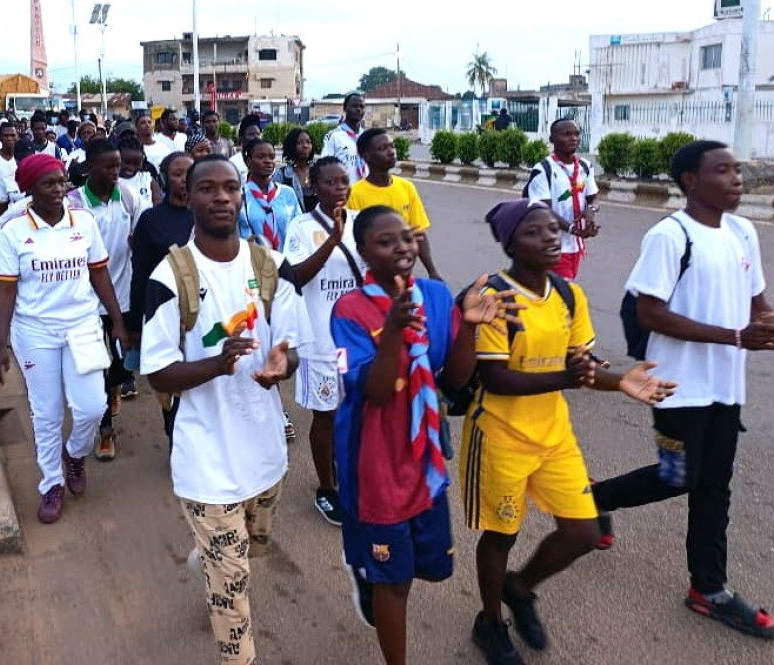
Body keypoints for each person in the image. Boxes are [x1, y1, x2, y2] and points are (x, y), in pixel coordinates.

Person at [592, 141, 774, 641]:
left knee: (714, 486)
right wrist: (736, 337)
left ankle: (709, 588)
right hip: (676, 385)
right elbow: (650, 313)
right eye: (722, 170)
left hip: (726, 385)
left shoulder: (743, 232)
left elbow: (758, 302)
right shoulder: (670, 235)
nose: (736, 178)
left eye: (736, 169)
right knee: (677, 476)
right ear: (691, 181)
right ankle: (593, 498)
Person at [462, 198, 677, 665]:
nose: (550, 238)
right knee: (501, 535)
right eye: (534, 232)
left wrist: (619, 381)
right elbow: (496, 379)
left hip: (553, 435)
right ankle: (490, 621)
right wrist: (568, 377)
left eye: (552, 229)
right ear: (511, 245)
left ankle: (520, 588)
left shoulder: (568, 294)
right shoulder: (496, 297)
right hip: (499, 436)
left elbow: (581, 366)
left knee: (583, 533)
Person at [140, 155, 311, 665]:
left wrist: (282, 364)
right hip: (206, 460)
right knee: (234, 587)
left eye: (230, 187)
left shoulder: (271, 266)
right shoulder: (170, 277)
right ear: (187, 197)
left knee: (248, 552)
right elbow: (158, 373)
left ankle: (209, 563)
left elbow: (292, 346)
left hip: (264, 454)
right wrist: (217, 364)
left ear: (242, 196)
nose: (221, 196)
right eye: (207, 188)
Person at [332, 205, 516, 665]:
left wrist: (468, 328)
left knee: (426, 568)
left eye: (406, 238)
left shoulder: (433, 294)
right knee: (395, 582)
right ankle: (377, 584)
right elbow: (376, 392)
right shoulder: (350, 310)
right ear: (363, 252)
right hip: (374, 462)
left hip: (422, 455)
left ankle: (374, 574)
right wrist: (394, 329)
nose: (401, 248)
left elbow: (453, 379)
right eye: (385, 241)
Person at [0, 154, 127, 524]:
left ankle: (75, 454)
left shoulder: (83, 221)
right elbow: (5, 290)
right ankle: (52, 482)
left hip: (82, 326)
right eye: (48, 183)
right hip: (35, 331)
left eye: (62, 182)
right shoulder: (14, 230)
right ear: (29, 189)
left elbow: (99, 274)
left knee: (93, 407)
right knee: (47, 412)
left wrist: (117, 320)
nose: (58, 190)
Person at [280, 156, 358, 525]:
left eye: (344, 181)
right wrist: (333, 241)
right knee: (325, 415)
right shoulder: (301, 226)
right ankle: (326, 489)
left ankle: (345, 468)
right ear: (313, 186)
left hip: (355, 341)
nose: (339, 188)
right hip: (320, 341)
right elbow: (295, 275)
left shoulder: (361, 222)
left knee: (352, 412)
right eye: (331, 182)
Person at [65, 139, 142, 461]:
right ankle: (106, 431)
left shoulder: (128, 196)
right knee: (96, 364)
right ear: (89, 168)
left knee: (123, 361)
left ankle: (112, 390)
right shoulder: (73, 203)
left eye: (118, 166)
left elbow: (141, 237)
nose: (115, 172)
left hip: (123, 296)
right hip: (86, 302)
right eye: (108, 166)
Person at [128, 151, 195, 439]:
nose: (184, 180)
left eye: (190, 173)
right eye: (178, 174)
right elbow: (140, 275)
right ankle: (174, 437)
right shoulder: (151, 220)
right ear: (165, 179)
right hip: (164, 316)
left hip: (202, 314)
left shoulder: (207, 216)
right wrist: (135, 326)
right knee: (171, 389)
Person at [347, 128, 443, 281]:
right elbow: (350, 241)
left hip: (402, 277)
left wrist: (432, 271)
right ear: (366, 156)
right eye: (382, 148)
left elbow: (419, 233)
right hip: (367, 278)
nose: (391, 152)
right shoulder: (353, 194)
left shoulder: (407, 188)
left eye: (392, 146)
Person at [525, 119, 600, 281]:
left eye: (576, 134)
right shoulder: (543, 169)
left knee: (560, 291)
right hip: (551, 246)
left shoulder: (585, 167)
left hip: (575, 247)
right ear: (552, 139)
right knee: (563, 291)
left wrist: (591, 211)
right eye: (566, 134)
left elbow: (592, 198)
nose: (573, 138)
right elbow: (543, 211)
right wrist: (572, 229)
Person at [237, 138, 302, 252]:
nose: (268, 161)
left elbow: (299, 228)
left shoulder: (287, 193)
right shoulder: (239, 196)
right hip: (251, 260)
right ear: (248, 161)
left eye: (271, 157)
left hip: (285, 259)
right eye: (261, 157)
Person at [321, 93, 367, 184]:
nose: (358, 109)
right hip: (343, 189)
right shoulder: (333, 136)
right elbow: (325, 166)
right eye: (354, 106)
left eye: (362, 106)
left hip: (366, 190)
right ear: (345, 108)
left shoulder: (367, 137)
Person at [273, 127, 316, 213]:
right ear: (291, 145)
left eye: (308, 142)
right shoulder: (282, 174)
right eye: (299, 143)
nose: (305, 146)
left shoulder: (319, 171)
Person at [117, 134, 161, 211]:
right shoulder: (113, 182)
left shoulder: (148, 180)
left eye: (136, 163)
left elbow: (158, 208)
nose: (131, 167)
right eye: (127, 162)